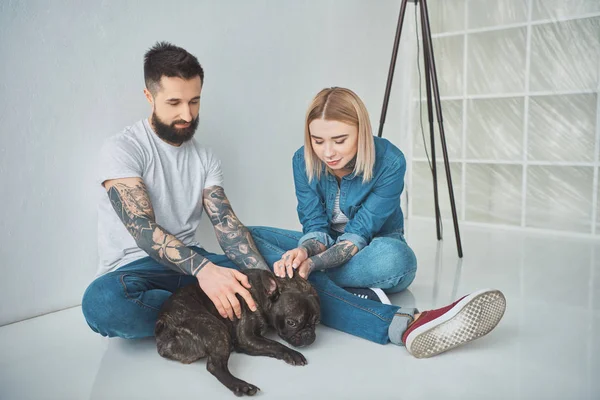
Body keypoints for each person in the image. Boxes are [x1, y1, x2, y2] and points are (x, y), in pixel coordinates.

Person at [82, 42, 505, 359]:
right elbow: (141, 229)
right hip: (138, 274)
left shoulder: (204, 157)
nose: (188, 115)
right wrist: (208, 273)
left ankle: (402, 325)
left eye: (194, 101)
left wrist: (266, 282)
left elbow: (227, 228)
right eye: (174, 102)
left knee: (281, 280)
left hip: (198, 267)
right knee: (101, 304)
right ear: (149, 96)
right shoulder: (123, 149)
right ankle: (212, 317)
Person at [248, 87, 506, 358]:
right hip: (325, 248)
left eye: (339, 140)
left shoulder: (390, 161)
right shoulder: (302, 160)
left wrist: (310, 265)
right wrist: (304, 251)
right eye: (318, 140)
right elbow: (314, 226)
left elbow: (358, 235)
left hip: (370, 249)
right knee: (248, 236)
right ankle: (368, 303)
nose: (328, 152)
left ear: (362, 131)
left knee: (395, 259)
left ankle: (298, 286)